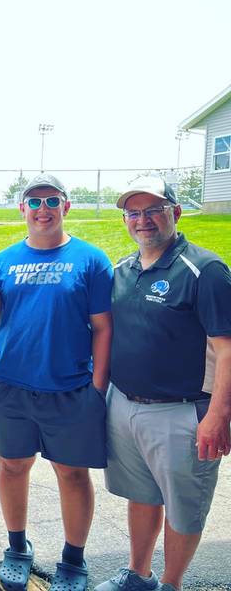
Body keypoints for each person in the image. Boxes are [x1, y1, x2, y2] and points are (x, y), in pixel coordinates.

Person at [0, 173, 113, 591]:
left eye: (52, 201)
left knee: (72, 474)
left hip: (70, 389)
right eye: (33, 202)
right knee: (12, 466)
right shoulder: (2, 262)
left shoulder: (91, 260)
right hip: (11, 386)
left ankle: (73, 559)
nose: (43, 209)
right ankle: (17, 549)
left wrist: (98, 387)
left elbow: (103, 328)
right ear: (22, 210)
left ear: (66, 207)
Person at [95, 176, 231, 591]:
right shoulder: (122, 270)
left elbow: (227, 350)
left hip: (184, 411)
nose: (143, 220)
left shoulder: (205, 270)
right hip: (126, 405)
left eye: (153, 209)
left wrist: (218, 416)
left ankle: (171, 585)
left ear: (175, 212)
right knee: (142, 495)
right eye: (134, 212)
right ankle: (139, 574)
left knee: (184, 509)